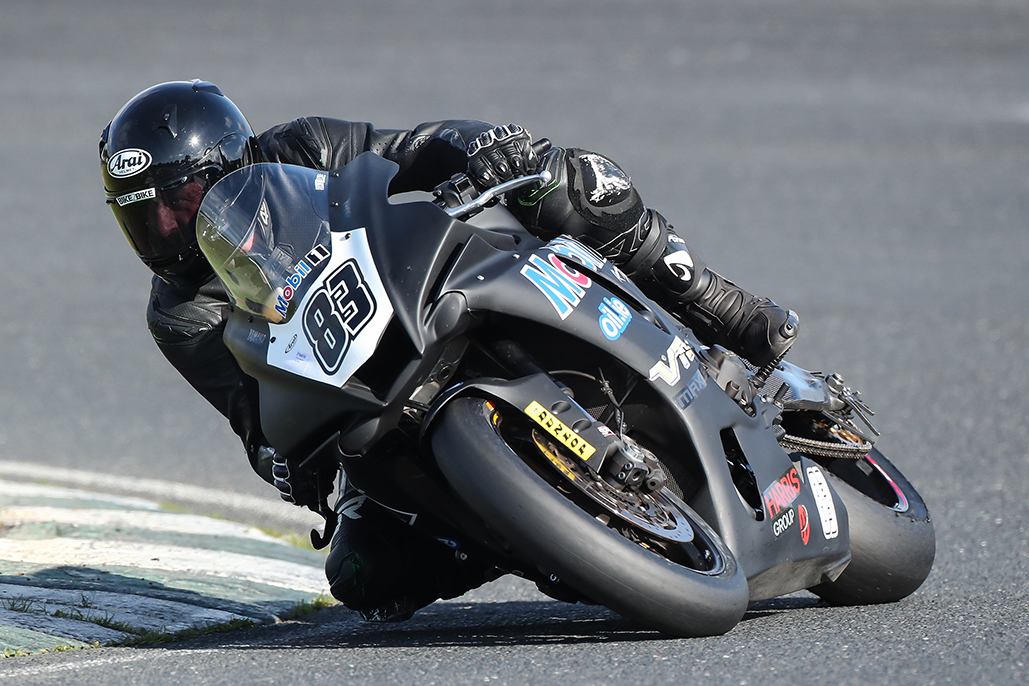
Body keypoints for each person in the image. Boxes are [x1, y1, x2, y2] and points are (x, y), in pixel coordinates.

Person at [100, 79, 798, 621]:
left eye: (178, 200)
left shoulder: (302, 148)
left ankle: (713, 301)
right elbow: (249, 416)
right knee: (361, 577)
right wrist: (284, 465)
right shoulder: (179, 314)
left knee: (562, 179)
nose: (165, 228)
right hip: (361, 400)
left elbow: (413, 147)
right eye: (142, 216)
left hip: (428, 285)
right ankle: (533, 531)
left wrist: (487, 149)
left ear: (229, 164)